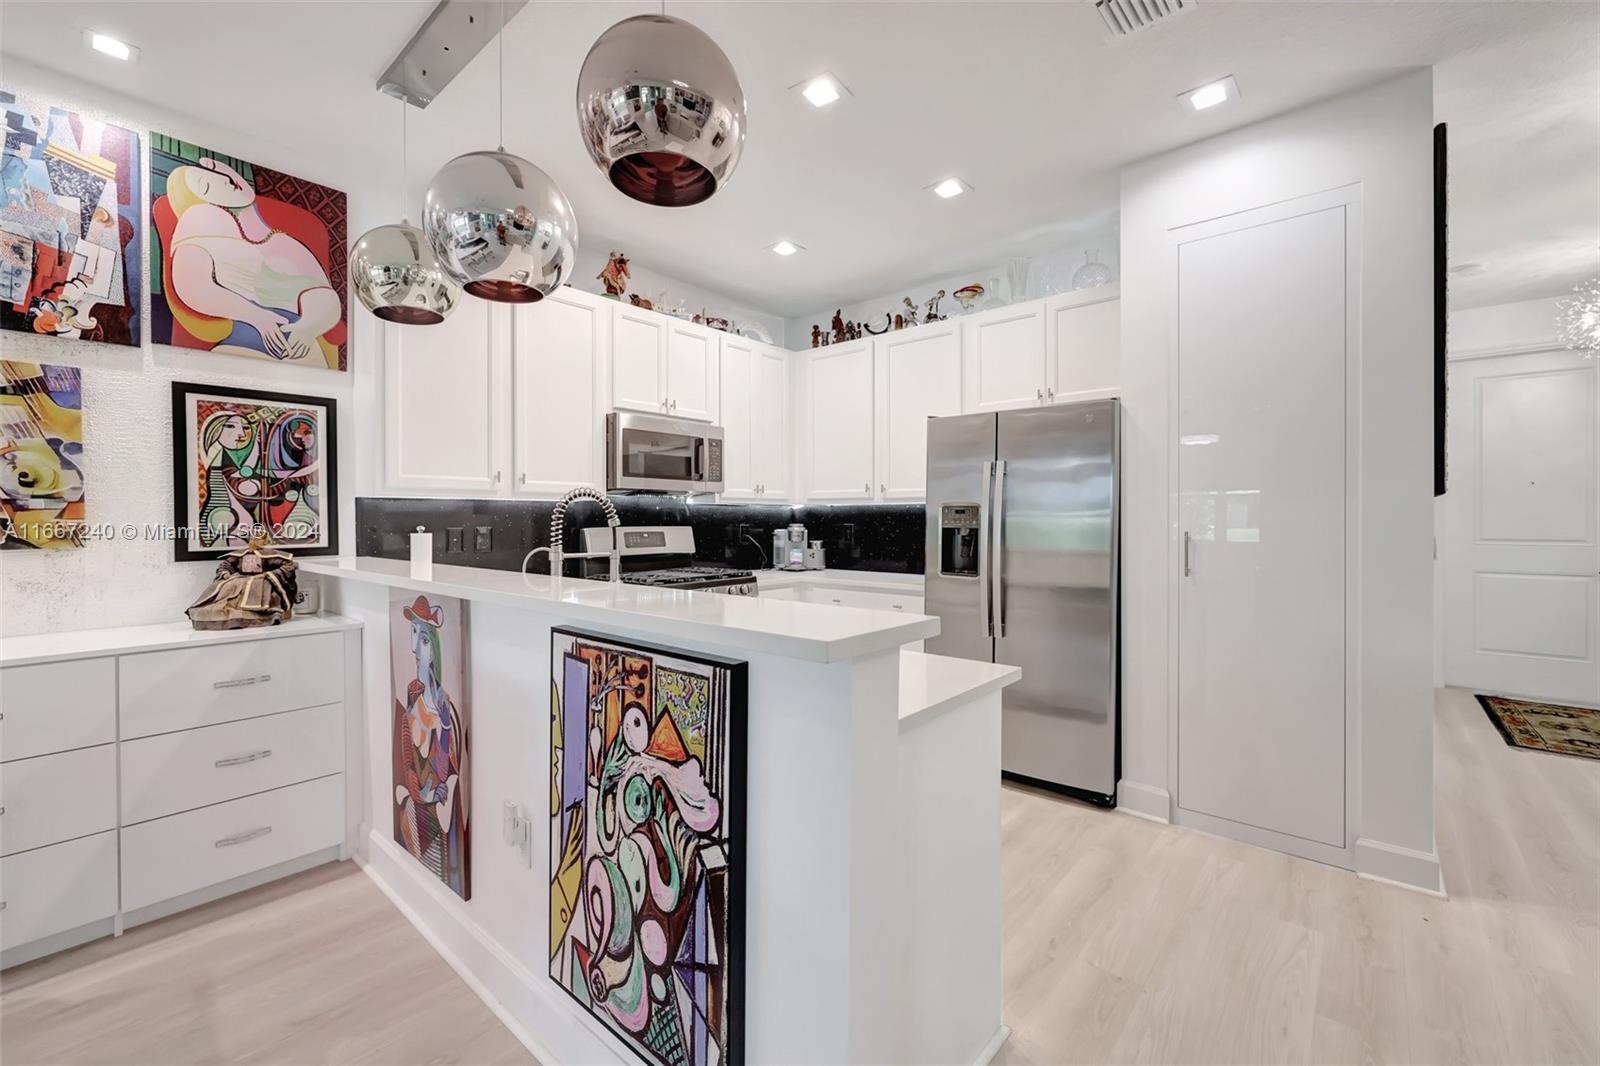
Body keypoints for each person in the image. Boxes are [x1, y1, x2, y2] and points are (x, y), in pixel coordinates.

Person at [163, 158, 341, 366]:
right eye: (207, 185)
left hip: (303, 351)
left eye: (220, 175)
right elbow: (194, 288)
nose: (224, 182)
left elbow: (325, 295)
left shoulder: (285, 242)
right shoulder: (198, 225)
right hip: (243, 342)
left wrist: (308, 327)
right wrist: (256, 316)